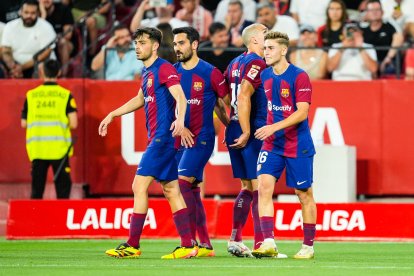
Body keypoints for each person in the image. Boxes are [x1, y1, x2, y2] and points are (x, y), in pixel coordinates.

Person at [99, 27, 198, 259]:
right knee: (171, 189)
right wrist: (113, 114)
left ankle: (132, 244)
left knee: (138, 187)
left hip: (163, 138)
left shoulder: (163, 68)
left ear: (154, 46)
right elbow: (140, 99)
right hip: (160, 138)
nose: (137, 46)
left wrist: (180, 121)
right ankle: (187, 245)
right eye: (136, 42)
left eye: (142, 43)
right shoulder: (147, 72)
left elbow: (181, 97)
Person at [251, 31, 317, 260]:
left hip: (298, 144)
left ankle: (308, 246)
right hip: (272, 144)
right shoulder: (265, 76)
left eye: (270, 48)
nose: (265, 52)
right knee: (263, 187)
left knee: (304, 193)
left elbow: (302, 112)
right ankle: (268, 241)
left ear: (283, 50)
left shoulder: (299, 76)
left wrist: (273, 127)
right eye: (264, 48)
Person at [172, 26, 230, 257]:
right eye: (175, 44)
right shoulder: (172, 72)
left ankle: (189, 243)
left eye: (182, 43)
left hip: (201, 139)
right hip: (179, 139)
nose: (177, 48)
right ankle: (205, 245)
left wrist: (233, 128)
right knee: (193, 191)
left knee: (181, 184)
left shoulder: (211, 73)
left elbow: (226, 103)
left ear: (194, 45)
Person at [224, 23, 268, 258]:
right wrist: (246, 130)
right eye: (265, 34)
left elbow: (221, 96)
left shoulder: (234, 63)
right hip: (249, 130)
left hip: (233, 127)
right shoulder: (257, 63)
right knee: (260, 186)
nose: (269, 37)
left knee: (247, 187)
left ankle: (235, 238)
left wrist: (229, 124)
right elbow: (243, 96)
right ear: (253, 41)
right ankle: (262, 244)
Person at [21, 59, 78, 199]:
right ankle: (62, 218)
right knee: (63, 191)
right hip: (59, 150)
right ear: (58, 72)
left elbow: (24, 123)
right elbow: (74, 123)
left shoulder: (31, 95)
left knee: (37, 192)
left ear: (42, 73)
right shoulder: (66, 95)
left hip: (37, 149)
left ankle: (35, 219)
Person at [1, 0, 56, 78]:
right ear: (20, 12)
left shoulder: (46, 27)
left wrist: (22, 67)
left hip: (36, 63)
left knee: (42, 67)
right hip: (14, 64)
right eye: (26, 12)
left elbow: (45, 53)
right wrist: (12, 66)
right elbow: (5, 50)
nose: (29, 16)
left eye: (33, 13)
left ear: (38, 13)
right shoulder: (10, 26)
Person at [361, 0, 404, 75]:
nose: (374, 12)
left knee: (390, 68)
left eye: (377, 10)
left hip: (387, 62)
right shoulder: (362, 28)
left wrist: (388, 58)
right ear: (366, 13)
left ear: (382, 12)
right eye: (371, 10)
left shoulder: (389, 24)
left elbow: (399, 38)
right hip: (369, 62)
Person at [39, 0, 76, 77]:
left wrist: (54, 38)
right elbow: (35, 34)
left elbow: (68, 35)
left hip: (61, 43)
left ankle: (64, 76)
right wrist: (43, 16)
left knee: (63, 42)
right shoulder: (34, 11)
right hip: (42, 44)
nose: (46, 0)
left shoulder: (63, 9)